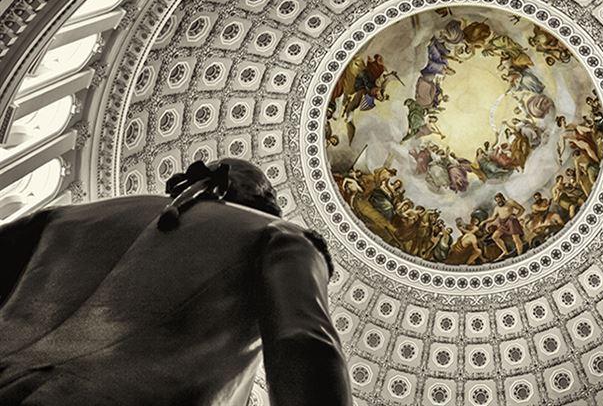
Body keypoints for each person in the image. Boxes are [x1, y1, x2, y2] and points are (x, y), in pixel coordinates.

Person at [0, 159, 352, 406]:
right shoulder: (280, 235)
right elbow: (304, 344)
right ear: (252, 193)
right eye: (271, 196)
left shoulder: (68, 216)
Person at [482, 192, 525, 259]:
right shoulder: (497, 208)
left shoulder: (510, 202)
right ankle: (505, 251)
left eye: (499, 200)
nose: (498, 202)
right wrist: (484, 222)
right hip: (503, 223)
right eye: (497, 201)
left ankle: (520, 254)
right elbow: (493, 218)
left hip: (511, 221)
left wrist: (516, 216)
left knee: (516, 239)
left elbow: (522, 209)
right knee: (495, 237)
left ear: (502, 198)